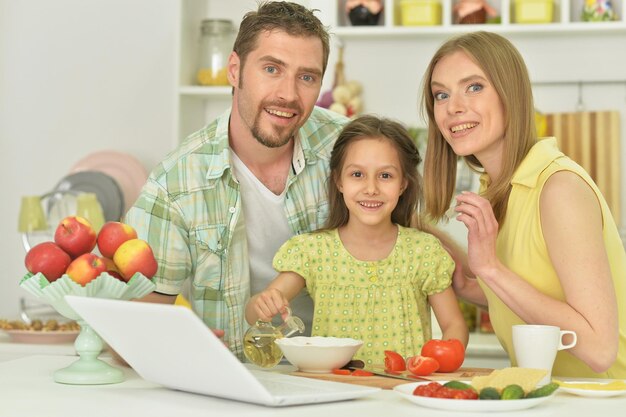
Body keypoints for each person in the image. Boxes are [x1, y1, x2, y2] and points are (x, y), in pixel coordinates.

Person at [124, 1, 349, 360]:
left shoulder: (349, 148)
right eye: (272, 69)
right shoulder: (176, 183)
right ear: (234, 69)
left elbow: (413, 244)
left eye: (307, 77)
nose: (289, 94)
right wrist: (180, 345)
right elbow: (135, 329)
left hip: (348, 372)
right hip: (236, 377)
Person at [421, 31, 626, 378]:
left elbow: (599, 348)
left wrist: (489, 269)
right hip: (544, 396)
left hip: (603, 400)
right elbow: (530, 296)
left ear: (510, 93)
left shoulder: (558, 187)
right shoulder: (500, 188)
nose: (453, 107)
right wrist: (462, 274)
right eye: (441, 94)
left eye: (474, 87)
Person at [245, 115, 469, 367]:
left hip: (401, 395)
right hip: (333, 396)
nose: (371, 188)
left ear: (403, 184)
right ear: (339, 181)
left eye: (385, 176)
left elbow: (454, 324)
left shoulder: (423, 251)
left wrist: (438, 362)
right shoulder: (312, 251)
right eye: (357, 174)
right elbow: (254, 313)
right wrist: (262, 305)